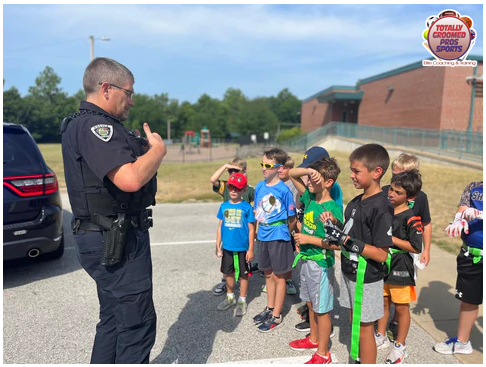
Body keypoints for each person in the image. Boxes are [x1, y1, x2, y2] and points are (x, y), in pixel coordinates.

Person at [61, 57, 166, 364]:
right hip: (115, 240)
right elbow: (130, 179)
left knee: (113, 320)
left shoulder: (90, 125)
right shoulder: (97, 127)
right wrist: (157, 152)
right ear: (106, 88)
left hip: (108, 236)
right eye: (128, 93)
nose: (131, 101)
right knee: (137, 324)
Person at [322, 143, 393, 364]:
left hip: (367, 278)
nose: (351, 175)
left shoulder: (381, 206)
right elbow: (353, 230)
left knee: (365, 329)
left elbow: (381, 254)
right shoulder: (355, 201)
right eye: (351, 170)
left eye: (356, 171)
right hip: (350, 272)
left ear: (376, 172)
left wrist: (347, 241)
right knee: (355, 320)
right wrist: (335, 224)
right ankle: (358, 359)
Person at [287, 158, 343, 364]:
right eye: (310, 176)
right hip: (306, 261)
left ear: (328, 182)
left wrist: (309, 239)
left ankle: (323, 353)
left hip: (320, 264)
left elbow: (338, 245)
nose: (309, 180)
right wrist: (310, 169)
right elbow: (292, 174)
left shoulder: (333, 209)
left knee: (322, 310)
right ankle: (313, 337)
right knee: (310, 304)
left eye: (314, 177)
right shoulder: (310, 197)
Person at [381, 153, 432, 342]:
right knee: (384, 297)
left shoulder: (418, 201)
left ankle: (398, 332)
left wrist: (426, 250)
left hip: (404, 259)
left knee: (401, 301)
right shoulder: (387, 192)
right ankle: (381, 332)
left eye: (401, 176)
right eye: (394, 177)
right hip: (385, 257)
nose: (394, 186)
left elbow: (424, 225)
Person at [375, 170, 423, 364]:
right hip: (383, 262)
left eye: (397, 192)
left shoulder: (411, 217)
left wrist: (391, 239)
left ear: (409, 197)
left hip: (401, 265)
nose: (391, 194)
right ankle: (381, 335)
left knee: (401, 308)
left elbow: (415, 246)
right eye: (391, 189)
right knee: (383, 302)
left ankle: (400, 346)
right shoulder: (385, 210)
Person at [434, 181, 483, 355]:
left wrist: (481, 214)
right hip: (472, 255)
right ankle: (462, 342)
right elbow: (462, 209)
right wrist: (459, 220)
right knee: (469, 299)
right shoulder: (474, 187)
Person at [252, 148, 297, 332]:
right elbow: (258, 212)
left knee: (279, 277)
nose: (263, 168)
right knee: (268, 274)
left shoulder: (284, 190)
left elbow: (292, 218)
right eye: (262, 164)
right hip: (262, 235)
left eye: (267, 165)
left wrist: (283, 233)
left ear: (278, 168)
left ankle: (277, 316)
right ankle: (270, 308)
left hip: (279, 236)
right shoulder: (259, 187)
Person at [210, 158, 255, 296]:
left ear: (244, 172)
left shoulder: (248, 190)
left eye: (235, 170)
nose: (232, 173)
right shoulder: (226, 186)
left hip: (242, 230)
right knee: (227, 261)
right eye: (230, 170)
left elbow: (252, 211)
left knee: (242, 264)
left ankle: (242, 288)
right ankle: (226, 281)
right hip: (228, 227)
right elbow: (213, 180)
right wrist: (224, 166)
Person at [215, 173, 256, 316]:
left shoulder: (246, 207)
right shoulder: (224, 206)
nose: (233, 191)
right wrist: (217, 244)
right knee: (227, 272)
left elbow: (251, 229)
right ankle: (230, 296)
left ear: (244, 190)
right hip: (227, 247)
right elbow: (220, 225)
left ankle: (242, 299)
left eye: (237, 188)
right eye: (231, 187)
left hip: (242, 247)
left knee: (244, 275)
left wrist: (251, 249)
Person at [277, 155, 299, 296]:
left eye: (284, 168)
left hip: (289, 224)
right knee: (276, 253)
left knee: (288, 254)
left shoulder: (294, 185)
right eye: (278, 167)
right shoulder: (273, 183)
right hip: (276, 225)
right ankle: (275, 278)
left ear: (290, 169)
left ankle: (289, 279)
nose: (280, 170)